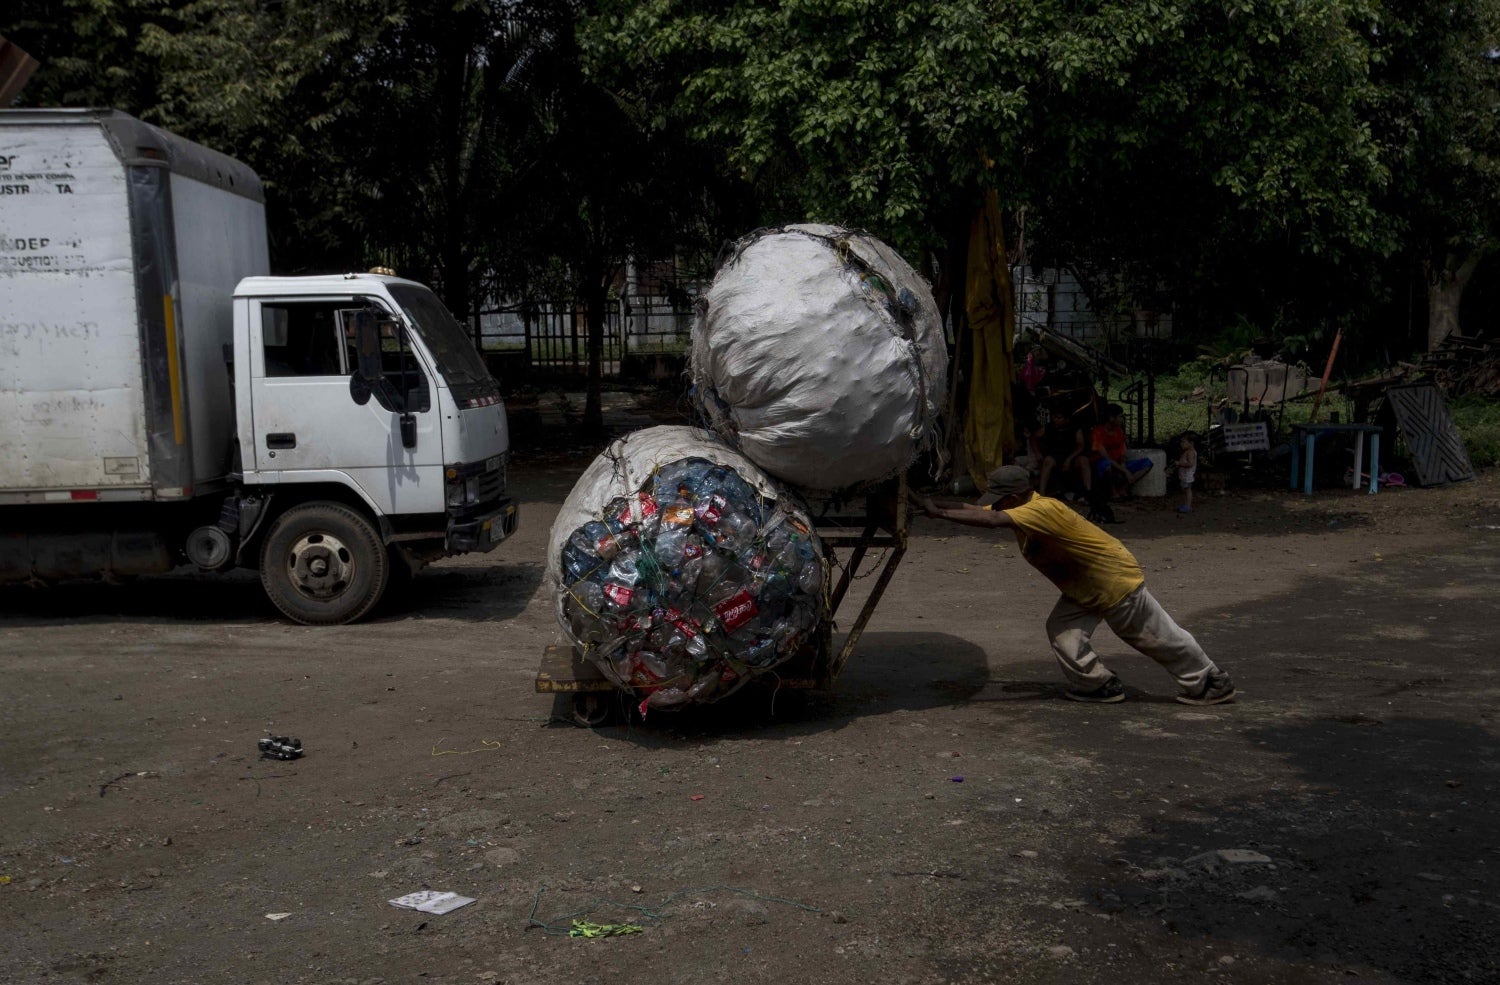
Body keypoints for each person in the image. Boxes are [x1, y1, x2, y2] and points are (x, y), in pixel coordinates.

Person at [917, 466, 1236, 705]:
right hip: (1086, 585)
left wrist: (941, 515)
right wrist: (931, 504)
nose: (994, 506)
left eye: (999, 501)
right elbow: (978, 511)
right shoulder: (1017, 507)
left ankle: (1209, 680)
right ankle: (1097, 684)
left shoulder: (1040, 510)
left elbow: (989, 520)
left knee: (1153, 635)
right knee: (1063, 629)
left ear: (1013, 498)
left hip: (1111, 578)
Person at [1090, 404, 1154, 501]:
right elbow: (1105, 457)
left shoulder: (1119, 432)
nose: (1122, 419)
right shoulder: (1098, 432)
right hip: (1102, 465)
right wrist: (1124, 470)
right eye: (1120, 416)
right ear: (1111, 418)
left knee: (1147, 463)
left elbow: (1122, 452)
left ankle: (1122, 490)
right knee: (1106, 464)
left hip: (1118, 464)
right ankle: (1113, 492)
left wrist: (1123, 464)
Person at [1033, 407, 1091, 501]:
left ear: (1066, 419)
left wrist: (1069, 459)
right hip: (1055, 456)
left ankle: (1088, 492)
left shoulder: (1075, 428)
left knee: (1084, 460)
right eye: (1054, 417)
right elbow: (1034, 437)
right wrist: (1037, 452)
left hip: (1072, 456)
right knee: (1048, 461)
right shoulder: (1048, 427)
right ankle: (1042, 493)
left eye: (1059, 418)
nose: (1055, 420)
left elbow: (1080, 446)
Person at [1176, 432, 1198, 514]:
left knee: (1188, 490)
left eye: (1184, 442)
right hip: (1183, 475)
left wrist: (1180, 463)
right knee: (1184, 490)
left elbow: (1190, 464)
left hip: (1187, 475)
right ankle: (1185, 504)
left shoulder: (1190, 452)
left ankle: (1188, 506)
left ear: (1191, 443)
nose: (1181, 444)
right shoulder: (1187, 451)